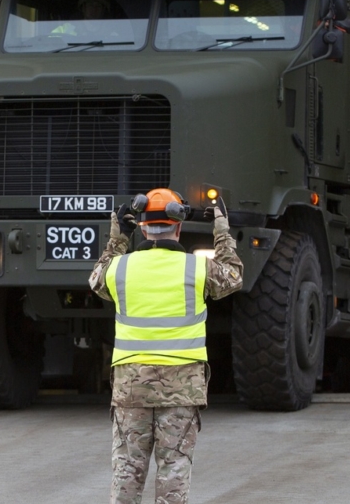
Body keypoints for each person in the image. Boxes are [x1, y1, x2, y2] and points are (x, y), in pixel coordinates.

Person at [89, 188, 243, 504]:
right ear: (179, 225)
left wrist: (117, 238)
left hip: (132, 386)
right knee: (173, 470)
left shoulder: (120, 269)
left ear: (142, 226)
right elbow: (233, 276)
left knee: (127, 471)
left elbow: (96, 279)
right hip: (182, 386)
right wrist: (222, 232)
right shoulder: (197, 269)